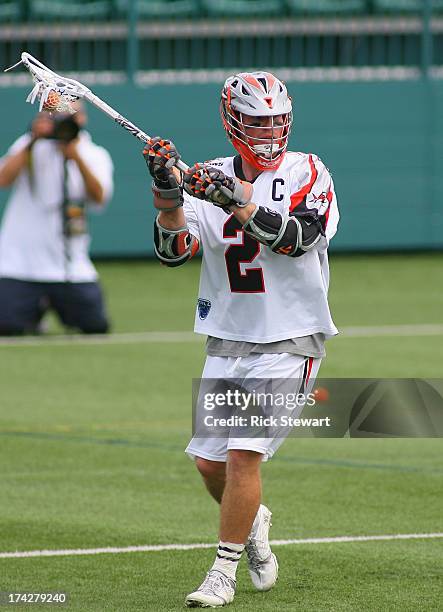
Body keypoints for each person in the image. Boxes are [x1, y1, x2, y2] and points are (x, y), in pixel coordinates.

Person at [143, 71, 339, 607]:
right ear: (234, 121)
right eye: (258, 121)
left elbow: (298, 237)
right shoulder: (205, 177)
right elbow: (172, 250)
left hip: (290, 339)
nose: (270, 131)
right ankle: (253, 521)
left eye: (277, 120)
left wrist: (234, 199)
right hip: (227, 336)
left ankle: (222, 572)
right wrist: (167, 192)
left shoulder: (310, 170)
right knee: (210, 464)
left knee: (241, 456)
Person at [0, 102, 113, 335]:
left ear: (82, 119)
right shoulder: (28, 145)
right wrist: (33, 139)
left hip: (70, 267)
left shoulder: (94, 153)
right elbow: (3, 179)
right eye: (57, 116)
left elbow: (99, 197)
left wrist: (74, 157)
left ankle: (45, 310)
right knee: (8, 326)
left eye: (71, 115)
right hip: (19, 264)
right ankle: (34, 314)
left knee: (95, 325)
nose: (64, 121)